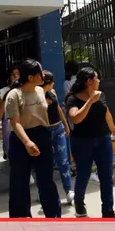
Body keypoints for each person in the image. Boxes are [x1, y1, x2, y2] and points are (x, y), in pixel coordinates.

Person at [5, 58, 62, 218]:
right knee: (20, 182)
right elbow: (15, 123)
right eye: (39, 73)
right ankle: (21, 218)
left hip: (42, 136)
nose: (42, 76)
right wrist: (27, 142)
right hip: (21, 139)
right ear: (30, 77)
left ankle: (54, 215)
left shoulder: (40, 91)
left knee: (46, 180)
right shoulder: (14, 95)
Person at [65, 66, 115, 218]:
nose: (99, 81)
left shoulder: (101, 95)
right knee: (83, 173)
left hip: (103, 140)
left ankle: (108, 210)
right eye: (97, 78)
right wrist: (90, 101)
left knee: (106, 176)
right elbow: (76, 118)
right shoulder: (73, 98)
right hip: (82, 142)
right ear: (89, 81)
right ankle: (79, 201)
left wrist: (114, 130)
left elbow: (106, 114)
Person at [42, 70, 74, 205]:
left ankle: (68, 190)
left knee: (63, 161)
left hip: (58, 128)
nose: (54, 83)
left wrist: (66, 124)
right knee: (46, 164)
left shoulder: (52, 92)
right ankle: (43, 192)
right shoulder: (36, 97)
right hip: (44, 131)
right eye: (52, 81)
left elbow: (58, 109)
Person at [0, 67, 20, 160]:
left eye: (18, 74)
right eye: (13, 74)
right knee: (11, 148)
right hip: (8, 122)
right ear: (9, 77)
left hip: (22, 121)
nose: (16, 76)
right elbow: (1, 110)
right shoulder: (3, 91)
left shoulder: (24, 89)